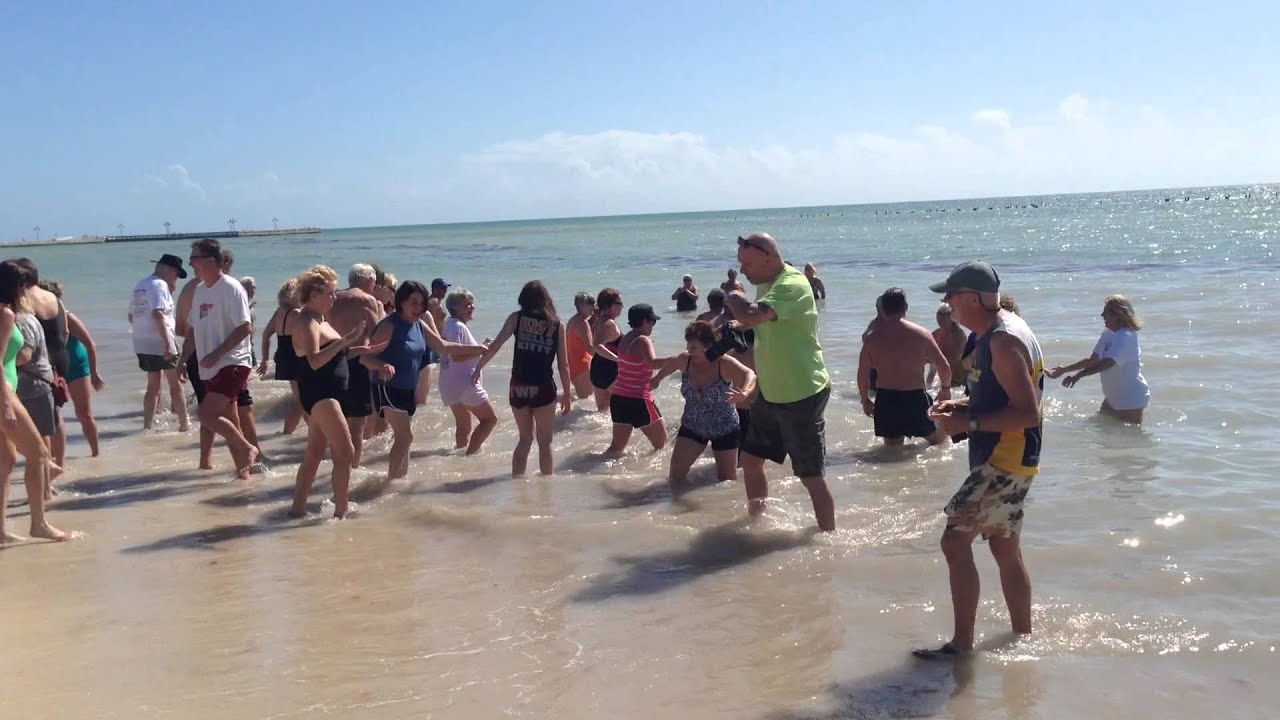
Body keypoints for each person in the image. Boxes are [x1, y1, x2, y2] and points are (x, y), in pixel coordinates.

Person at [915, 261, 1044, 660]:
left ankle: (961, 647)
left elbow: (1028, 412)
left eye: (950, 297)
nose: (947, 304)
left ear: (971, 298)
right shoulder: (1003, 329)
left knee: (954, 543)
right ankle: (1023, 637)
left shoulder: (1002, 342)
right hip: (1016, 457)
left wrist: (966, 421)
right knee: (1005, 549)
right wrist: (964, 404)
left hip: (1004, 458)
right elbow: (1004, 396)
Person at [723, 233, 835, 531]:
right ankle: (757, 522)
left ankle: (828, 539)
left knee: (811, 476)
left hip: (802, 392)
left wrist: (733, 296)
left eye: (747, 263)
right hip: (771, 393)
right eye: (740, 264)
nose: (743, 270)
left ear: (769, 257)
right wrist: (737, 325)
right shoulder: (766, 284)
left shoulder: (792, 285)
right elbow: (760, 321)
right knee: (750, 460)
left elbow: (751, 313)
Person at [290, 266, 384, 518]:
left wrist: (359, 348)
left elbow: (336, 357)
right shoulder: (307, 320)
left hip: (328, 393)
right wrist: (345, 341)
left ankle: (297, 508)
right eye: (330, 293)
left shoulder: (321, 320)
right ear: (313, 295)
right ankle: (341, 511)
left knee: (315, 453)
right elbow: (314, 360)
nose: (334, 297)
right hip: (321, 394)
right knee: (345, 452)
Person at [178, 239, 260, 481]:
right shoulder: (201, 290)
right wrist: (183, 359)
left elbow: (245, 327)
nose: (191, 263)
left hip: (232, 362)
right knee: (230, 420)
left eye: (195, 258)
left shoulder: (231, 288)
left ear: (211, 261)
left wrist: (217, 353)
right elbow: (193, 329)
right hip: (209, 367)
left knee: (205, 415)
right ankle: (244, 475)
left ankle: (248, 449)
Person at [472, 281, 572, 477]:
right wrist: (567, 393)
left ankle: (517, 484)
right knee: (545, 442)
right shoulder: (557, 325)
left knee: (525, 439)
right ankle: (546, 489)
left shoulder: (516, 319)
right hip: (543, 386)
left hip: (519, 386)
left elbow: (497, 345)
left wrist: (478, 367)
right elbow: (563, 364)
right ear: (546, 299)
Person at [0, 260, 67, 542]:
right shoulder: (5, 314)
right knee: (39, 454)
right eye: (27, 285)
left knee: (5, 462)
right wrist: (5, 402)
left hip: (7, 390)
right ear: (18, 286)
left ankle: (1, 531)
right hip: (4, 391)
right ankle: (38, 523)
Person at [651, 320, 756, 485]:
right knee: (675, 478)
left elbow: (750, 375)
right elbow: (670, 365)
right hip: (693, 426)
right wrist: (656, 379)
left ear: (707, 346)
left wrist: (744, 392)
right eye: (687, 346)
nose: (689, 351)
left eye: (693, 347)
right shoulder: (685, 360)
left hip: (725, 428)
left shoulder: (723, 363)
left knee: (726, 482)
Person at [857, 288, 952, 447]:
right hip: (914, 398)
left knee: (893, 451)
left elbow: (862, 373)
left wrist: (865, 400)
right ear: (905, 307)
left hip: (886, 400)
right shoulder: (921, 334)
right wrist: (945, 389)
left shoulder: (871, 338)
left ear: (883, 309)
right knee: (939, 442)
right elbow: (944, 366)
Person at [1046, 295, 1149, 424]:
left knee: (1129, 439)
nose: (1101, 315)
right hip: (1112, 397)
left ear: (1117, 314)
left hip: (1130, 399)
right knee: (1101, 431)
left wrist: (1078, 375)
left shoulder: (1126, 336)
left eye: (1105, 312)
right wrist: (1064, 369)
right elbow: (1093, 360)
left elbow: (1108, 363)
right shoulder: (1108, 334)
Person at [327, 263, 385, 466]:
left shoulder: (333, 298)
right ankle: (353, 469)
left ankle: (338, 467)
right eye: (374, 283)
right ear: (369, 281)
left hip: (330, 362)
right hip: (356, 363)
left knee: (337, 423)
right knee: (357, 424)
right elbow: (377, 335)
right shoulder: (367, 300)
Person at [128, 254, 188, 432]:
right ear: (168, 270)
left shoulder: (141, 284)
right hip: (159, 343)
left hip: (141, 343)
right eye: (176, 274)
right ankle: (185, 424)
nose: (175, 279)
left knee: (153, 386)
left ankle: (147, 426)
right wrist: (169, 343)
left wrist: (144, 332)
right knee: (175, 385)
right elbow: (158, 314)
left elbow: (131, 316)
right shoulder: (160, 285)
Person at [48, 282, 106, 456]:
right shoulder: (39, 318)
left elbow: (90, 345)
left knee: (83, 413)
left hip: (78, 367)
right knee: (51, 415)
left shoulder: (68, 317)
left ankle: (95, 453)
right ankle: (54, 457)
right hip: (55, 369)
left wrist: (94, 373)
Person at [603, 304, 670, 454]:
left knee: (616, 448)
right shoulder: (643, 340)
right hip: (639, 400)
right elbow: (652, 363)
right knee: (662, 446)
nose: (653, 326)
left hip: (619, 398)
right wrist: (675, 360)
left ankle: (588, 470)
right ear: (645, 321)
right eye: (652, 322)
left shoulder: (625, 338)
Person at [15, 310, 60, 492]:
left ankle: (46, 486)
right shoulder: (22, 318)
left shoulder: (22, 321)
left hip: (33, 385)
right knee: (37, 437)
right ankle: (48, 474)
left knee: (39, 436)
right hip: (32, 384)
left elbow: (25, 355)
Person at [256, 278, 305, 435]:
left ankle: (289, 432)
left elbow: (265, 335)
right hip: (296, 356)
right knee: (302, 400)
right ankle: (292, 433)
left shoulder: (279, 312)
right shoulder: (297, 313)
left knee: (300, 399)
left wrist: (264, 359)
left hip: (283, 356)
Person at [589, 287, 624, 412]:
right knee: (619, 412)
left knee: (602, 412)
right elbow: (597, 346)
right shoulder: (609, 323)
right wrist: (618, 359)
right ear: (609, 305)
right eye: (619, 303)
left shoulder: (599, 320)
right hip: (610, 372)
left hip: (597, 369)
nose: (622, 306)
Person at [927, 302, 968, 391]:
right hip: (945, 379)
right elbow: (932, 367)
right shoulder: (934, 334)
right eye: (939, 313)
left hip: (960, 381)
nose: (940, 317)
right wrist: (928, 387)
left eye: (944, 314)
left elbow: (957, 361)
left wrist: (936, 360)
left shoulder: (959, 335)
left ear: (952, 316)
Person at [565, 291, 596, 400]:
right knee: (588, 403)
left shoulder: (572, 320)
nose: (594, 306)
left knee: (582, 401)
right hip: (582, 367)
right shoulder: (582, 323)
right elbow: (590, 349)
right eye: (591, 303)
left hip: (572, 366)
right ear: (581, 306)